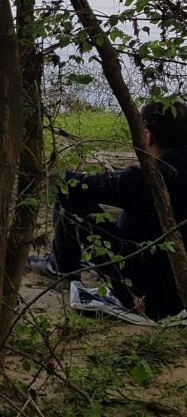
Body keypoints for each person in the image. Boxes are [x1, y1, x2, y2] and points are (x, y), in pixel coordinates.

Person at [29, 100, 187, 319]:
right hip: (180, 292)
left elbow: (70, 186)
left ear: (146, 136)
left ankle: (61, 264)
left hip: (147, 296)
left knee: (70, 196)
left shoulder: (148, 179)